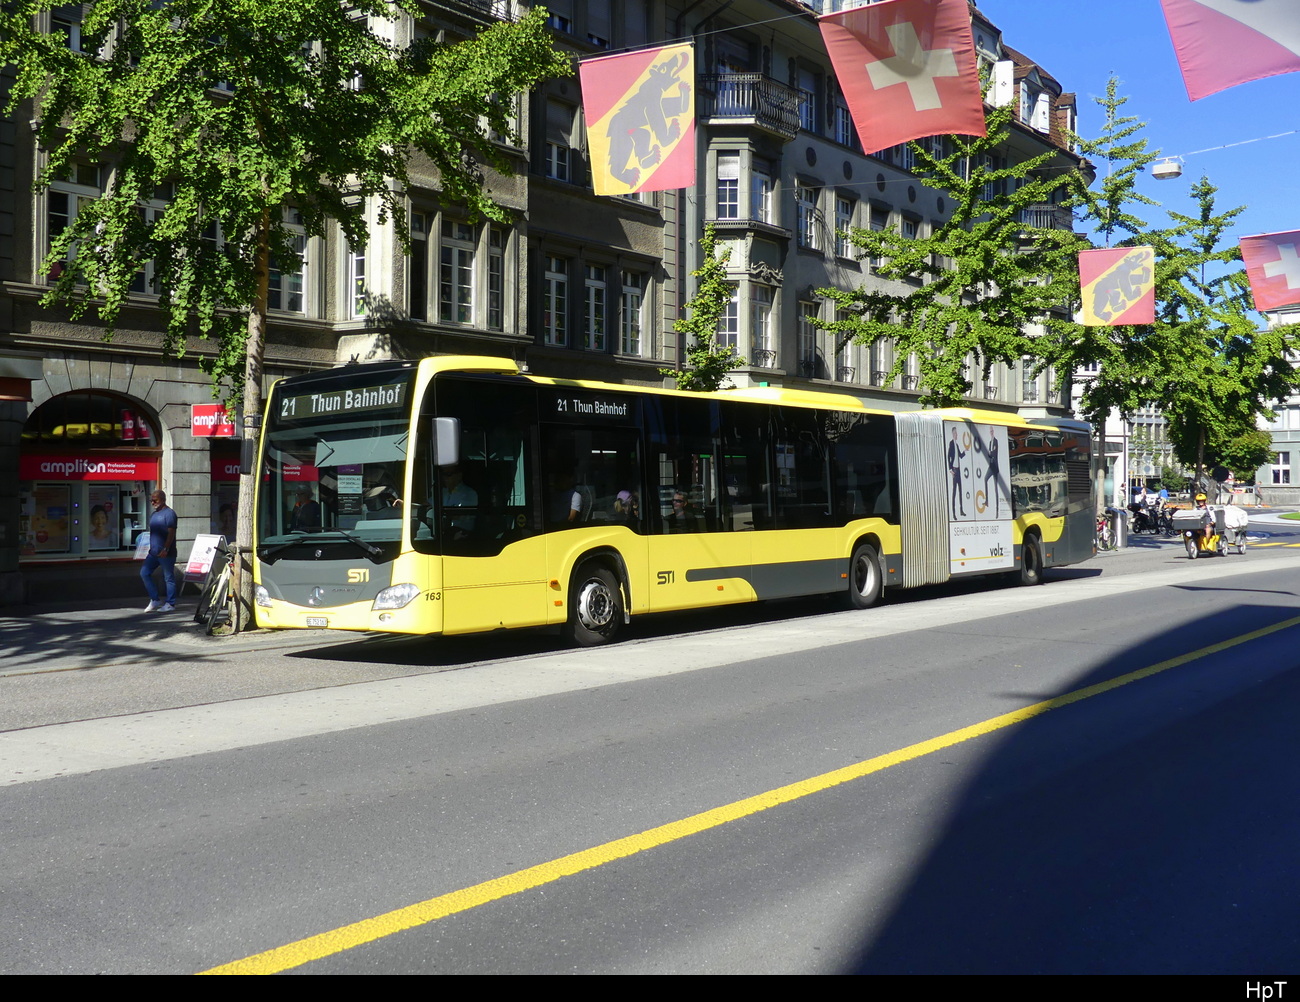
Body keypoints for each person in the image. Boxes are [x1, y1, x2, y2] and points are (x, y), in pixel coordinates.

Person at [141, 488, 178, 613]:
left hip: (166, 553)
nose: (152, 503)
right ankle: (155, 599)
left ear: (162, 500)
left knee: (168, 578)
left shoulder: (169, 513)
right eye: (151, 500)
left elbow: (171, 533)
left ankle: (170, 603)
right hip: (153, 553)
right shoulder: (154, 514)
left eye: (154, 500)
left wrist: (166, 548)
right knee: (144, 573)